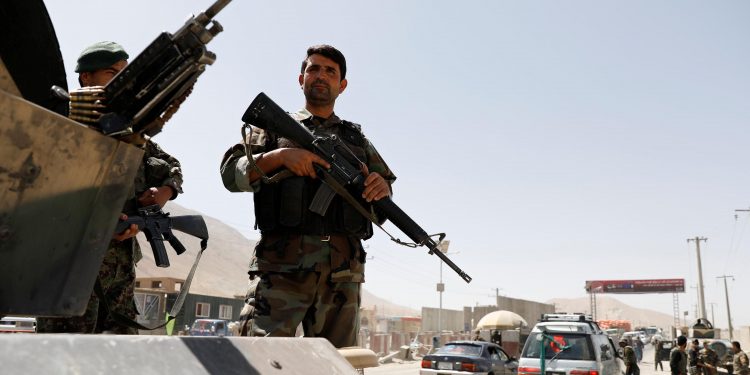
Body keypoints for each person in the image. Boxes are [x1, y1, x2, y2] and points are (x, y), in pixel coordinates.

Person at [220, 44, 395, 348]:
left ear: (342, 85)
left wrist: (382, 185)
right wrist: (280, 156)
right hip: (281, 269)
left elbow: (384, 192)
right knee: (262, 359)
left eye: (330, 71)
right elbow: (231, 174)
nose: (320, 75)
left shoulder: (357, 140)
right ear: (301, 79)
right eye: (313, 68)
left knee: (341, 363)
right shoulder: (270, 129)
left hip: (342, 275)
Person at [36, 41, 183, 334]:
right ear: (86, 78)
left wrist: (164, 193)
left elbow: (171, 167)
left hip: (119, 271)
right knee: (66, 356)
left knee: (119, 357)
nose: (120, 81)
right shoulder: (61, 125)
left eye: (124, 74)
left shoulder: (131, 135)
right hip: (69, 270)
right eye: (110, 72)